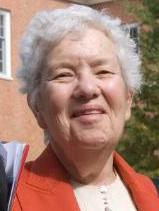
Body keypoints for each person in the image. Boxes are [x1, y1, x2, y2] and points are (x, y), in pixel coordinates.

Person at [13, 4, 159, 211]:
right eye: (63, 74)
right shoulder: (10, 198)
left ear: (128, 99)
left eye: (103, 71)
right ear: (37, 107)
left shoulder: (154, 195)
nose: (88, 88)